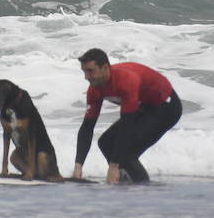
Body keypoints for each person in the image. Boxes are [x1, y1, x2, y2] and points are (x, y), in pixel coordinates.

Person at [74, 48, 182, 185]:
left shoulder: (126, 80)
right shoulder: (95, 89)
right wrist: (78, 167)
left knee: (126, 154)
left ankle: (143, 190)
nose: (86, 77)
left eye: (90, 71)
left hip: (166, 107)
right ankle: (126, 184)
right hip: (144, 106)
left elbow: (127, 126)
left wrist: (113, 166)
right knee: (105, 143)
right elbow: (87, 126)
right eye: (84, 71)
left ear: (105, 67)